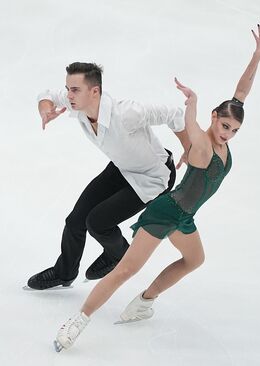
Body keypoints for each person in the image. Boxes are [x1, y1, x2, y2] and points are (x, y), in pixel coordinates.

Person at [53, 23, 260, 352]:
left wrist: (257, 56)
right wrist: (192, 103)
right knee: (126, 270)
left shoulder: (223, 133)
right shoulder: (202, 145)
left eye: (234, 130)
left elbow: (241, 92)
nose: (228, 133)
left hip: (184, 217)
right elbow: (185, 122)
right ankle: (77, 322)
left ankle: (145, 300)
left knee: (194, 259)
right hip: (165, 211)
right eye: (225, 125)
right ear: (214, 118)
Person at [28, 62, 192, 290]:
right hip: (122, 168)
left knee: (97, 222)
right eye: (67, 89)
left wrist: (189, 147)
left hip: (153, 177)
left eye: (74, 90)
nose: (68, 95)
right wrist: (45, 109)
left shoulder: (126, 113)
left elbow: (174, 114)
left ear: (94, 91)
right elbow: (46, 95)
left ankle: (118, 255)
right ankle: (64, 272)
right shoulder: (78, 101)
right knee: (75, 221)